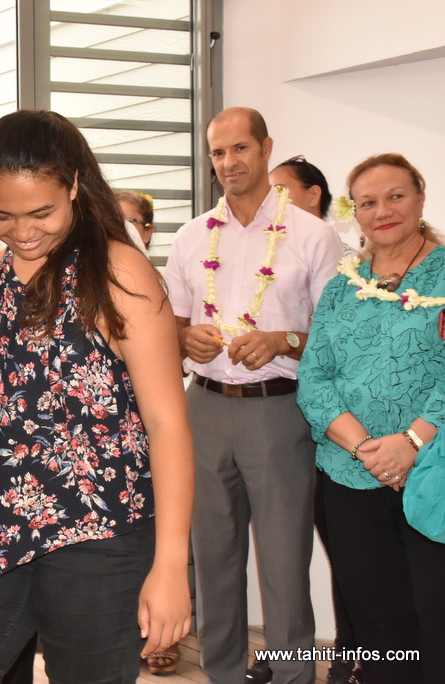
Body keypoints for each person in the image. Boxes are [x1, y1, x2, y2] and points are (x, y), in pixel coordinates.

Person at [0, 109, 193, 684]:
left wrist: (170, 565)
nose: (22, 231)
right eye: (1, 215)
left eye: (40, 212)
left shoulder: (121, 274)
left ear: (73, 185)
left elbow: (168, 425)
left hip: (101, 534)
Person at [162, 107, 342, 684]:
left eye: (239, 149)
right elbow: (169, 328)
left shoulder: (313, 234)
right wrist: (183, 336)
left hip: (280, 409)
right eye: (217, 152)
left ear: (266, 148)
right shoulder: (192, 236)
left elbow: (339, 341)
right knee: (212, 557)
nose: (228, 162)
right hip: (205, 406)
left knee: (285, 562)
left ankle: (291, 677)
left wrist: (284, 339)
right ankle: (221, 672)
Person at [296, 153, 445, 684]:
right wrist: (367, 450)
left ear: (420, 197)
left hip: (432, 475)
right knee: (376, 620)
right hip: (350, 476)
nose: (383, 211)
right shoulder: (342, 284)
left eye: (396, 196)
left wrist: (409, 442)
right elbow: (315, 379)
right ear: (354, 213)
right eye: (368, 202)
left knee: (435, 615)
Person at [267, 156, 361, 684]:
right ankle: (301, 655)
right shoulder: (263, 248)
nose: (270, 199)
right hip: (307, 417)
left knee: (353, 555)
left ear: (314, 195)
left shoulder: (343, 262)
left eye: (281, 189)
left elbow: (330, 348)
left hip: (352, 428)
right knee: (302, 552)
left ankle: (354, 656)